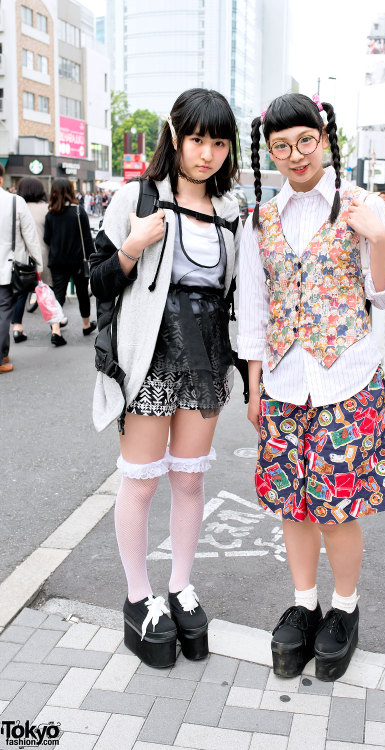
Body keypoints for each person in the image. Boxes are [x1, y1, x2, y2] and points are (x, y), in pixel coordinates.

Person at [238, 92, 385, 682]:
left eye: (304, 140)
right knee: (293, 505)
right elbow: (254, 308)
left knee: (338, 508)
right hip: (285, 382)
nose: (295, 155)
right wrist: (255, 385)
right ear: (271, 152)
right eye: (281, 146)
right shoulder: (262, 218)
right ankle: (304, 603)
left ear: (324, 137)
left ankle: (345, 609)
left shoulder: (361, 203)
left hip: (347, 380)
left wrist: (379, 237)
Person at [89, 88, 241, 669]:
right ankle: (138, 598)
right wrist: (132, 245)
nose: (207, 153)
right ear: (175, 136)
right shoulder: (136, 197)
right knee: (143, 482)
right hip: (151, 355)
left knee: (189, 482)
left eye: (219, 142)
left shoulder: (230, 213)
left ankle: (179, 587)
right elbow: (97, 280)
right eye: (197, 138)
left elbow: (235, 295)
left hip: (206, 358)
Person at [0, 166, 43, 373]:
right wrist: (38, 264)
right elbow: (30, 237)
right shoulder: (15, 202)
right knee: (3, 311)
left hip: (7, 268)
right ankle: (1, 358)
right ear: (1, 180)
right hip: (7, 268)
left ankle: (4, 351)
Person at [44, 178, 96, 346]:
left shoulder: (51, 214)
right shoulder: (78, 212)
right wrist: (93, 259)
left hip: (57, 261)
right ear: (70, 191)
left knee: (58, 295)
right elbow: (87, 239)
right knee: (82, 293)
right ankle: (86, 325)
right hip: (78, 261)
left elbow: (46, 239)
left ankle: (56, 330)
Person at [11, 177, 63, 342]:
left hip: (22, 257)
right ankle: (55, 329)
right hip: (44, 255)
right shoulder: (47, 208)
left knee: (20, 293)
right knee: (48, 291)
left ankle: (17, 328)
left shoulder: (17, 207)